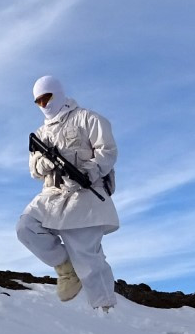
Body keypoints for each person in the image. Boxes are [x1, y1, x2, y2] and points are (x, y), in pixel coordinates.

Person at [16, 75, 119, 310]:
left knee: (87, 257)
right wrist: (46, 163)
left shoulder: (88, 119)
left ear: (58, 93)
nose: (44, 105)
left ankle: (105, 310)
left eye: (47, 98)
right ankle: (65, 269)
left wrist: (88, 171)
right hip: (52, 194)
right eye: (39, 101)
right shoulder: (40, 134)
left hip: (85, 194)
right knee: (26, 227)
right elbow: (34, 169)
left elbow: (108, 151)